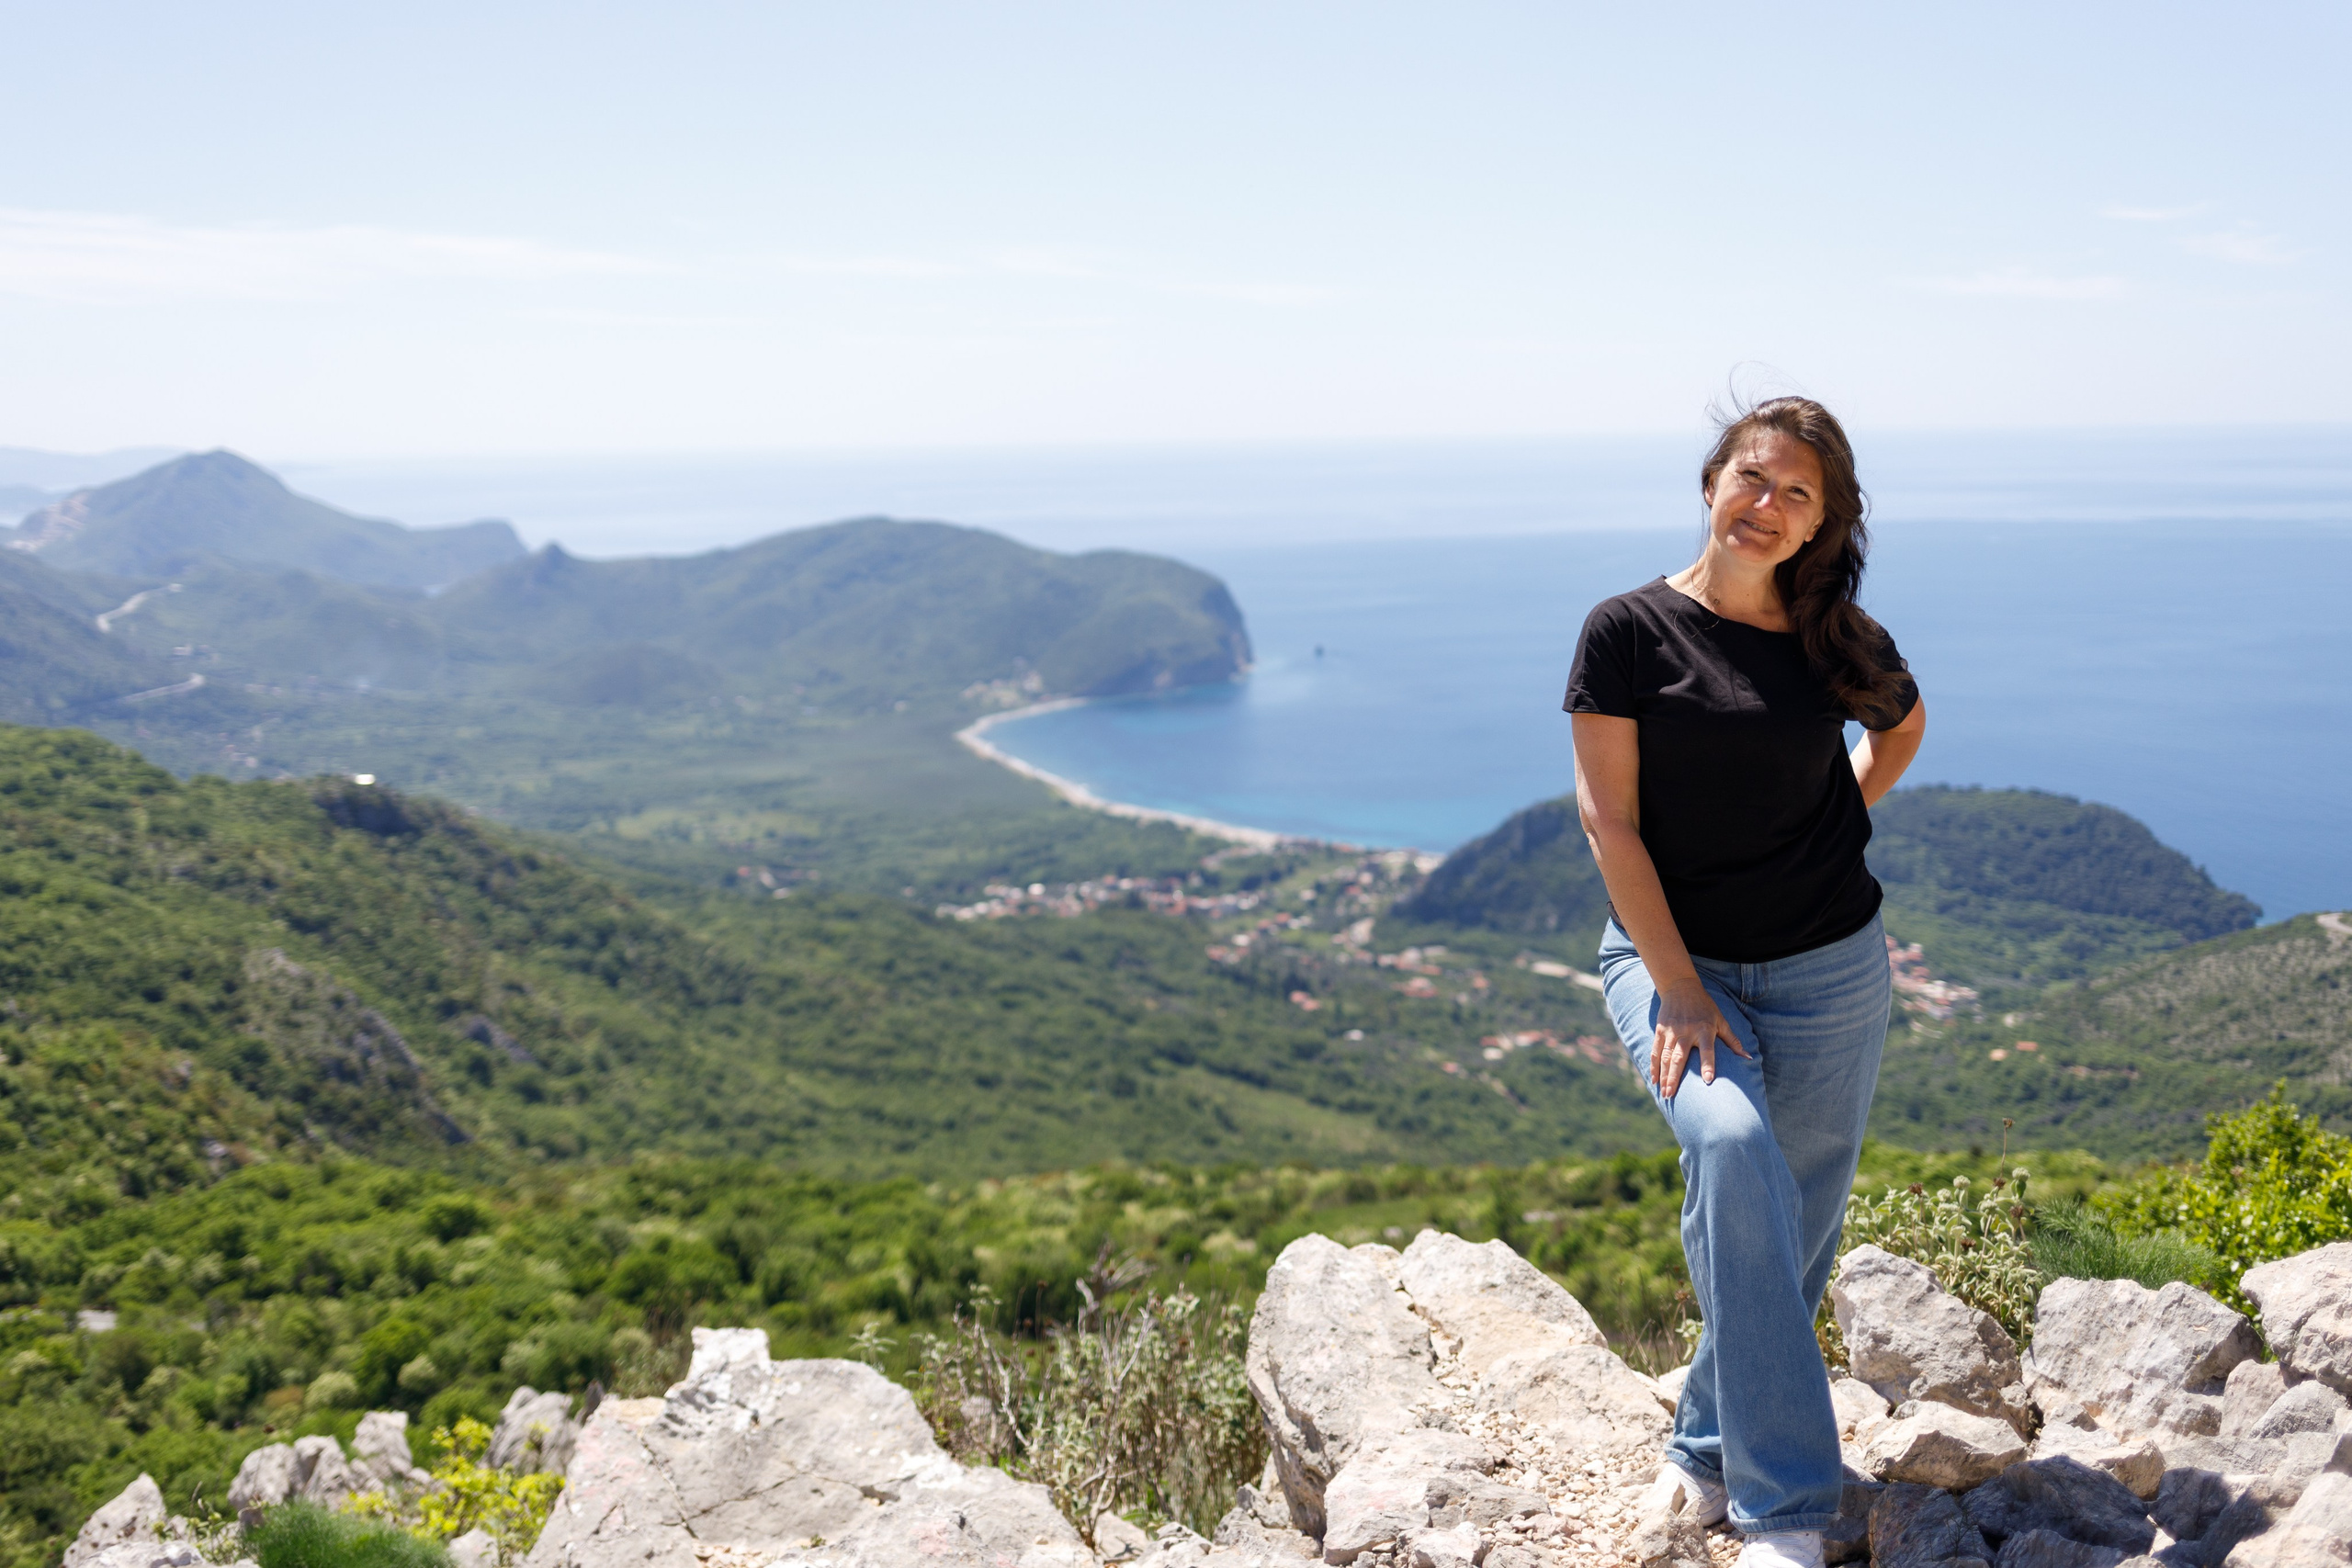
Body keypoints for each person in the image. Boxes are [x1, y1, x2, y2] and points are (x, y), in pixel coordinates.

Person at [1564, 397, 1926, 1568]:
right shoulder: (1626, 631)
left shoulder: (1831, 637)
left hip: (1832, 967)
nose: (1768, 508)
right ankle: (1784, 1510)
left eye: (1798, 496)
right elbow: (1608, 821)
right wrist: (1678, 988)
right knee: (1726, 1151)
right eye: (1753, 480)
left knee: (1792, 1227)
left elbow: (1904, 728)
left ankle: (1703, 1445)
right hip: (1679, 966)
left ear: (1823, 522)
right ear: (1711, 481)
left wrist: (1832, 822)